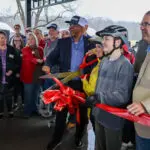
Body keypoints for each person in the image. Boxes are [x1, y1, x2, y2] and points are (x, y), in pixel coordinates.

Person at [42, 15, 95, 150]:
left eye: (75, 25)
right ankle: (56, 140)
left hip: (83, 85)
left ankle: (78, 138)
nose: (71, 27)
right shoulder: (63, 42)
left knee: (82, 117)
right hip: (65, 84)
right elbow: (51, 57)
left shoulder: (92, 44)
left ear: (85, 27)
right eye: (70, 24)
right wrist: (47, 64)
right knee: (61, 113)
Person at [86, 25, 134, 150]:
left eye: (106, 38)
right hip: (99, 115)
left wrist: (98, 97)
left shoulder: (125, 65)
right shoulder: (104, 61)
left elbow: (122, 96)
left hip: (112, 120)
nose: (103, 42)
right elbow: (99, 87)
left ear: (117, 42)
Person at [127, 10, 150, 150]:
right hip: (141, 124)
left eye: (146, 24)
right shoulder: (146, 48)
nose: (141, 27)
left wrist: (145, 106)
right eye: (141, 24)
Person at [20, 32, 44, 118]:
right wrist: (37, 60)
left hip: (38, 76)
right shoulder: (25, 49)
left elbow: (43, 59)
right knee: (28, 95)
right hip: (28, 76)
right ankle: (27, 111)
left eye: (32, 38)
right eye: (29, 39)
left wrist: (43, 60)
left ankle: (35, 109)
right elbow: (29, 58)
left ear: (35, 39)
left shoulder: (40, 49)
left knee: (36, 94)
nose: (30, 40)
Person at [0, 31, 20, 119]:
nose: (1, 40)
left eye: (3, 38)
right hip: (0, 77)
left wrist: (12, 71)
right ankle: (0, 112)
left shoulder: (12, 49)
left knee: (9, 96)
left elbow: (18, 63)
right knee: (0, 96)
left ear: (6, 38)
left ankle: (10, 111)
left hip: (10, 77)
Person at [11, 34, 24, 111]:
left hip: (23, 72)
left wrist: (21, 72)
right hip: (15, 73)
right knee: (15, 88)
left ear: (21, 41)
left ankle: (23, 103)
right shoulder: (11, 50)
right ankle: (15, 103)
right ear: (13, 41)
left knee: (23, 88)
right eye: (15, 40)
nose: (17, 42)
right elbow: (11, 63)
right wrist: (16, 72)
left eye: (19, 40)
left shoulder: (24, 49)